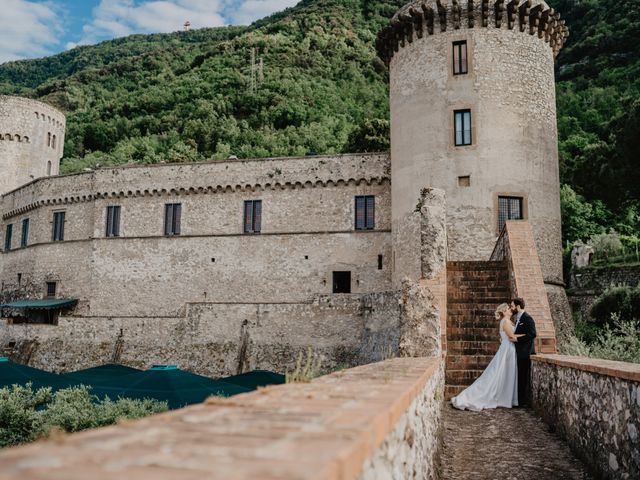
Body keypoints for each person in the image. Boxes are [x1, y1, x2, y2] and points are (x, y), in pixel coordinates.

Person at [451, 303, 523, 411]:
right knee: (499, 372)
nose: (510, 310)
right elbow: (511, 336)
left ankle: (505, 397)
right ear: (504, 312)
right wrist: (527, 335)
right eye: (508, 309)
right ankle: (495, 397)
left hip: (508, 348)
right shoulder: (506, 321)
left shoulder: (507, 321)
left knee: (504, 372)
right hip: (507, 349)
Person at [510, 297, 537, 407]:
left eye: (512, 306)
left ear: (518, 306)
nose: (511, 308)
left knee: (522, 377)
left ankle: (522, 402)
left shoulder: (527, 318)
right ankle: (518, 400)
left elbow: (533, 334)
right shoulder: (518, 318)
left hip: (525, 353)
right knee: (519, 377)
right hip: (519, 352)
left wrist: (518, 339)